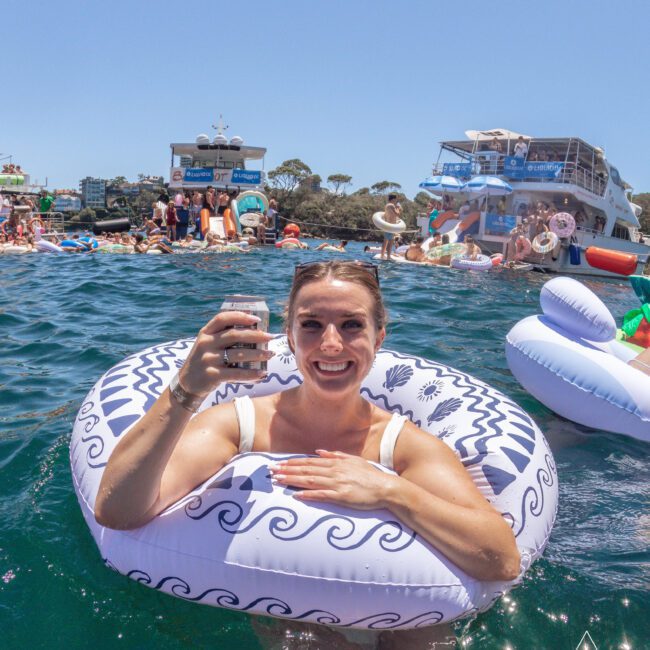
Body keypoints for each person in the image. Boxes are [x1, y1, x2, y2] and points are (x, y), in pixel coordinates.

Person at [95, 260, 520, 648]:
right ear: (289, 337)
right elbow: (118, 510)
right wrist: (187, 389)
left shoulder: (404, 446)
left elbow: (501, 559)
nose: (331, 344)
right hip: (294, 623)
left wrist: (393, 492)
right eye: (312, 325)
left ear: (380, 337)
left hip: (408, 618)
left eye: (352, 325)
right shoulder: (238, 425)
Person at [380, 194, 402, 260]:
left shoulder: (387, 205)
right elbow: (397, 214)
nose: (396, 201)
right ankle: (388, 256)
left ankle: (382, 255)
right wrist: (398, 207)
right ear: (393, 199)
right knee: (391, 241)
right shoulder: (392, 205)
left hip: (387, 225)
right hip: (391, 226)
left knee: (385, 241)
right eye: (395, 199)